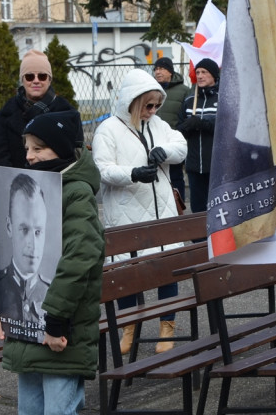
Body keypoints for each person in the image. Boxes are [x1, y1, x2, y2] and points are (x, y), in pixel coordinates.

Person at [0, 109, 104, 415]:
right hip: (22, 330)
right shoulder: (25, 186)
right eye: (28, 148)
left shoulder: (75, 193)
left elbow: (82, 256)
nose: (29, 156)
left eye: (39, 148)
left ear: (61, 150)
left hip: (63, 331)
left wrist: (56, 320)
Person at [93, 69, 187, 355]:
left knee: (165, 270)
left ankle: (166, 328)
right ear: (133, 101)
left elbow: (180, 145)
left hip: (162, 213)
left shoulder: (157, 125)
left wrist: (164, 152)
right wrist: (132, 173)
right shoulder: (108, 129)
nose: (153, 110)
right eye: (148, 105)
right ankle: (129, 328)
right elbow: (102, 168)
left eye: (157, 105)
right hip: (126, 214)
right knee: (127, 275)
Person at [0, 49, 77, 169]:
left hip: (58, 181)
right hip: (18, 182)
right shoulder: (5, 115)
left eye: (42, 76)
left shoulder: (67, 112)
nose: (36, 81)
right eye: (29, 76)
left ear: (49, 79)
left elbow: (73, 154)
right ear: (22, 80)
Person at [0, 172, 50, 324]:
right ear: (9, 227)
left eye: (38, 232)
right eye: (24, 230)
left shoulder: (51, 291)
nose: (32, 243)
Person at [177, 58, 218, 213]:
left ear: (214, 75)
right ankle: (199, 238)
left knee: (217, 207)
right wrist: (185, 127)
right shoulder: (189, 100)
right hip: (194, 166)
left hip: (217, 165)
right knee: (198, 210)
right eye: (198, 72)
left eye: (204, 72)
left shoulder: (222, 98)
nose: (200, 76)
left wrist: (201, 123)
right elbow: (179, 129)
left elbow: (227, 125)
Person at [152, 57, 190, 201]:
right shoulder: (151, 89)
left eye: (161, 68)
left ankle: (177, 207)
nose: (158, 72)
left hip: (173, 142)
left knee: (175, 177)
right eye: (156, 69)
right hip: (153, 142)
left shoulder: (184, 91)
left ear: (170, 71)